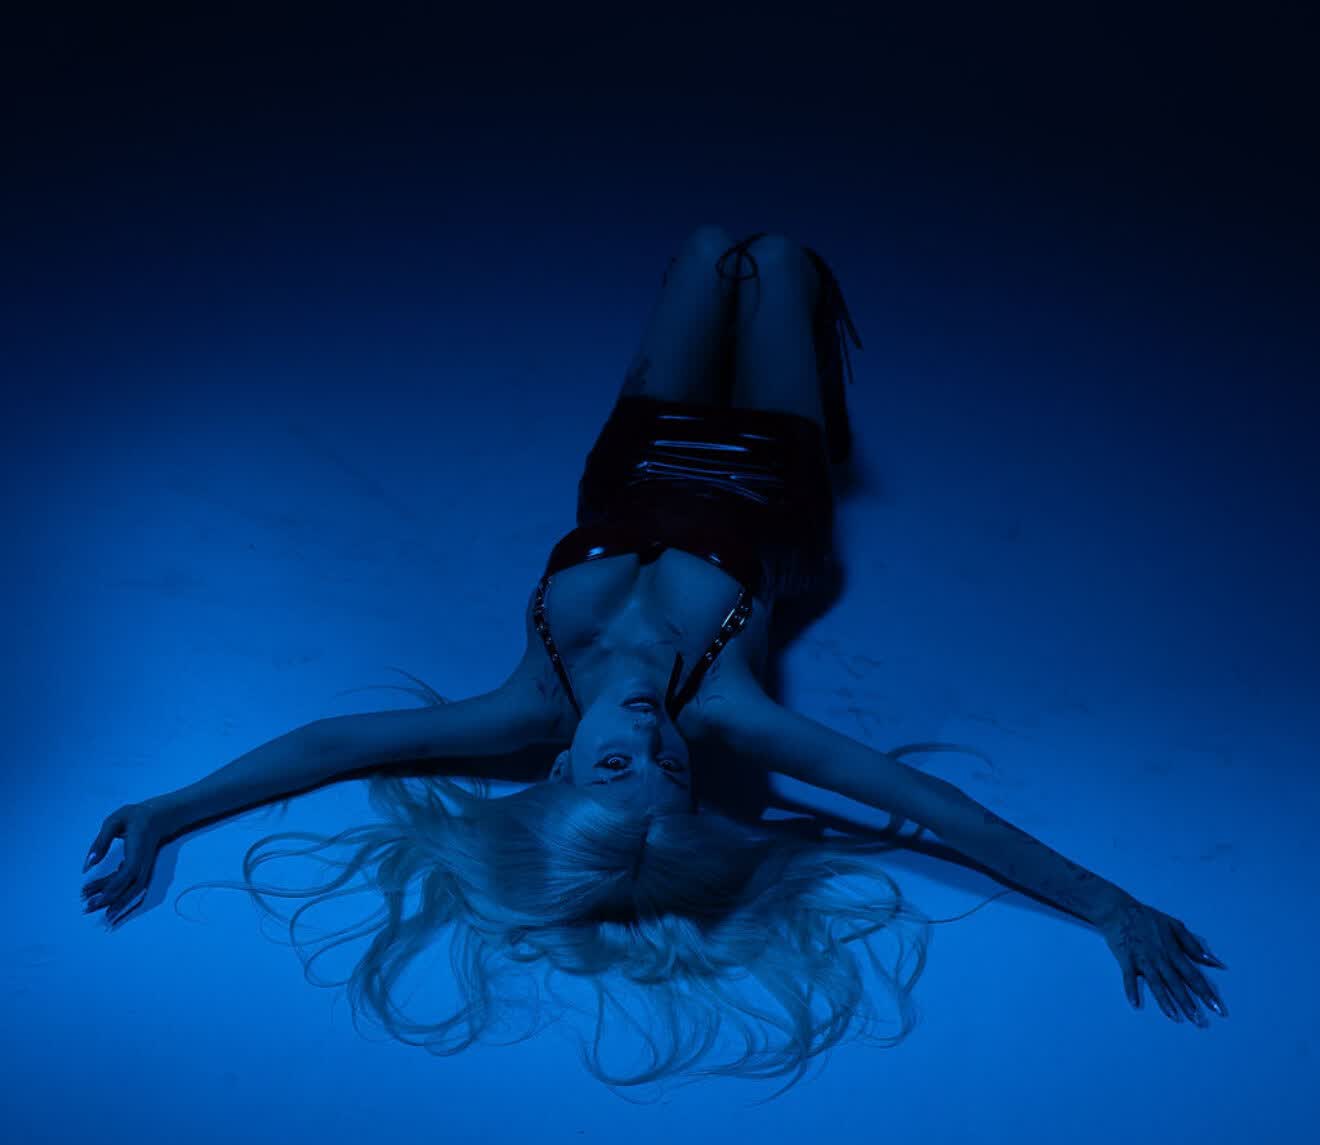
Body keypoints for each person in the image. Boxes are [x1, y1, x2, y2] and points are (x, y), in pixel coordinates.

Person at [80, 227, 1227, 1091]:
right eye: (672, 773)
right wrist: (1111, 906)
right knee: (776, 258)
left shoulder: (523, 707)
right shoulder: (733, 711)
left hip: (631, 466)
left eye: (618, 766)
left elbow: (333, 745)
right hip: (771, 482)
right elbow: (936, 810)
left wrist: (168, 810)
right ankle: (811, 376)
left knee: (703, 247)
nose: (650, 741)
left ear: (563, 773)